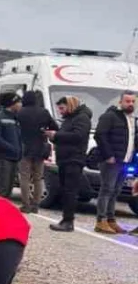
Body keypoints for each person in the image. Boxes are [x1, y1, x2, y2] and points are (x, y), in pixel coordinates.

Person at [45, 96, 93, 232]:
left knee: (70, 191)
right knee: (65, 190)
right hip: (64, 159)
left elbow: (78, 136)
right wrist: (53, 137)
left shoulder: (82, 118)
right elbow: (65, 137)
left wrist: (57, 136)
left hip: (74, 159)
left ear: (70, 105)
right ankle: (65, 218)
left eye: (62, 108)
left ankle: (68, 221)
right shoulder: (69, 119)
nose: (60, 111)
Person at [92, 91, 136, 234]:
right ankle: (101, 220)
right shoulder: (110, 116)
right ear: (120, 102)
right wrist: (108, 155)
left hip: (124, 161)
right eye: (127, 101)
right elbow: (100, 135)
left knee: (115, 191)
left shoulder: (131, 119)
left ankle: (111, 220)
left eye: (132, 101)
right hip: (111, 161)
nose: (130, 104)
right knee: (107, 190)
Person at [16, 90, 58, 213]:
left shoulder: (20, 112)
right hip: (40, 149)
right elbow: (55, 127)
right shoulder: (44, 112)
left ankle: (26, 205)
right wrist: (44, 131)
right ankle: (35, 205)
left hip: (24, 149)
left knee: (24, 177)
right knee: (38, 178)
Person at [0, 92, 23, 199]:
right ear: (11, 103)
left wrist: (20, 150)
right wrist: (11, 148)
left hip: (14, 158)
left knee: (8, 190)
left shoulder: (16, 119)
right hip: (3, 159)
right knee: (2, 188)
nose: (21, 104)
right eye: (19, 102)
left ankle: (1, 214)